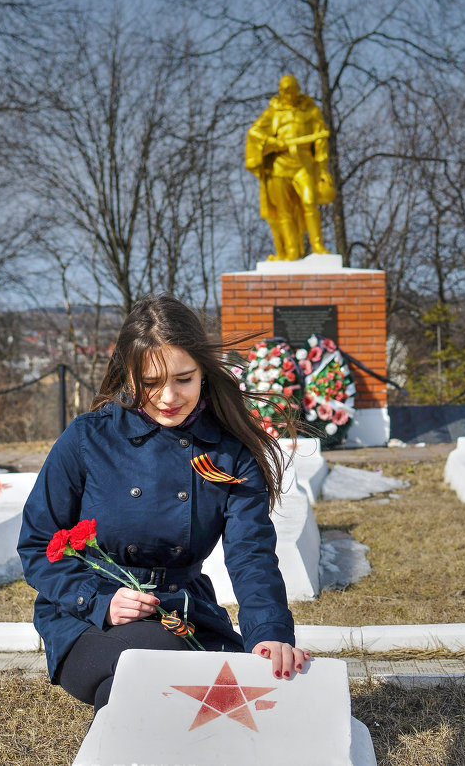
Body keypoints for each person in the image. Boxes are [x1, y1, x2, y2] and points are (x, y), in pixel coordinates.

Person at [18, 293, 310, 714]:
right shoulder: (87, 439)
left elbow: (251, 555)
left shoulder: (231, 452)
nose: (168, 397)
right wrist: (99, 600)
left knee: (231, 695)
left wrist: (269, 632)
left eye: (184, 379)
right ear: (128, 373)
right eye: (150, 383)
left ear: (204, 373)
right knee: (148, 671)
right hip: (87, 616)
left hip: (184, 606)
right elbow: (37, 544)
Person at [246, 73, 336, 261]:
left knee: (309, 202)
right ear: (280, 91)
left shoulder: (310, 111)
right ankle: (291, 251)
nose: (288, 94)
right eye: (284, 90)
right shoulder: (272, 112)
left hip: (303, 163)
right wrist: (273, 142)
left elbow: (320, 143)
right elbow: (254, 132)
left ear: (297, 89)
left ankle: (317, 245)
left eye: (291, 89)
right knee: (283, 210)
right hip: (279, 165)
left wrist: (322, 169)